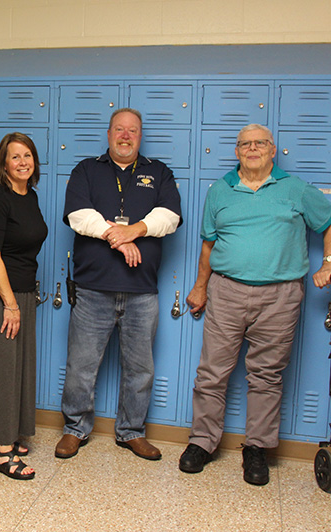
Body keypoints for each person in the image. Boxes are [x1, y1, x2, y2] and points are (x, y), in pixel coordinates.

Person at [179, 123, 331, 485]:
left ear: (272, 149)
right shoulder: (220, 190)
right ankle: (202, 442)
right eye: (245, 144)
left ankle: (257, 450)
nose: (252, 149)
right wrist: (200, 287)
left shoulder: (295, 189)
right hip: (227, 291)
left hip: (280, 296)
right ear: (236, 152)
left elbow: (329, 221)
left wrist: (329, 263)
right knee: (212, 372)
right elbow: (208, 246)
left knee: (266, 375)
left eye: (259, 143)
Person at [56, 107, 182, 462]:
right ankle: (74, 429)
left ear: (140, 136)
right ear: (109, 133)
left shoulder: (159, 172)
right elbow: (80, 216)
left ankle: (131, 432)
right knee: (81, 364)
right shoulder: (86, 170)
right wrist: (119, 238)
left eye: (133, 131)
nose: (125, 136)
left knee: (140, 368)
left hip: (142, 292)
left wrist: (135, 230)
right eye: (119, 129)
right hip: (93, 289)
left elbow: (169, 217)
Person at [0, 132, 47, 481]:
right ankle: (1, 450)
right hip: (2, 295)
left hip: (23, 293)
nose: (23, 162)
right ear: (3, 163)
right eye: (14, 157)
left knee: (14, 367)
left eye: (27, 155)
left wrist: (21, 300)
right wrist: (10, 304)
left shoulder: (29, 196)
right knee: (1, 369)